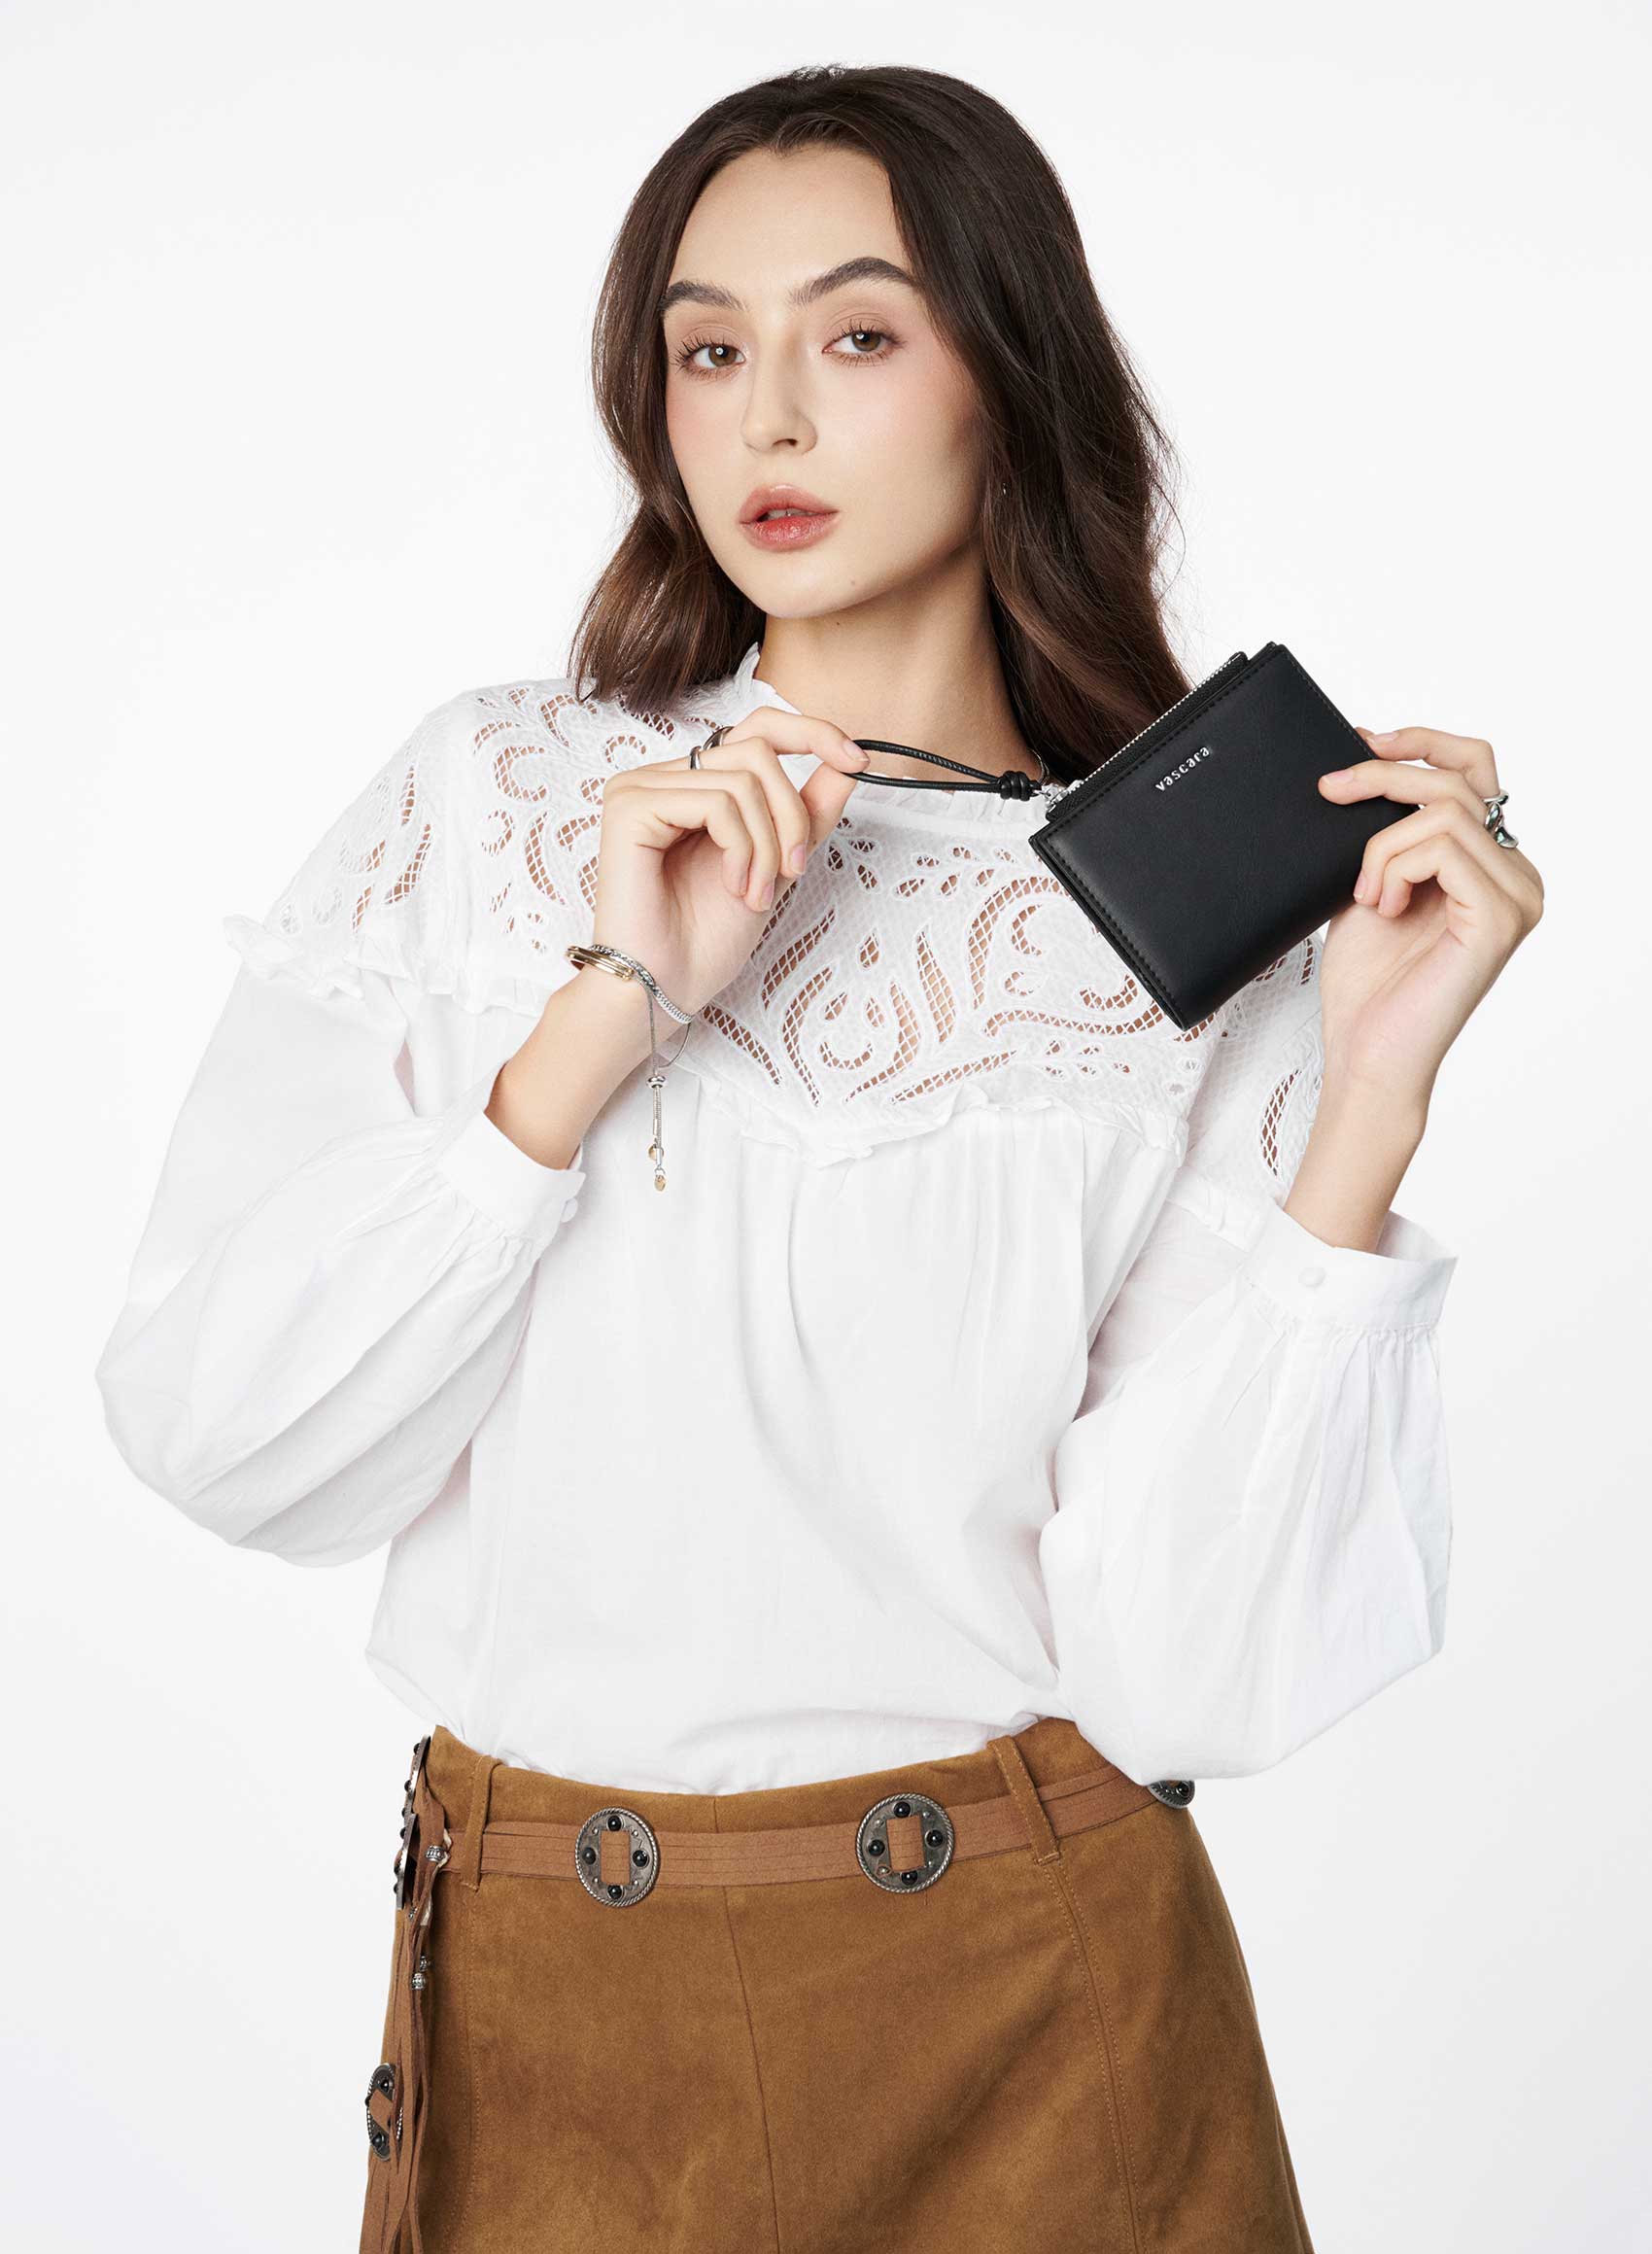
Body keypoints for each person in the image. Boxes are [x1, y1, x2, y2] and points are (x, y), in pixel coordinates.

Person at [94, 62, 1541, 2254]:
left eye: (857, 334)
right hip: (558, 2007)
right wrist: (605, 1013)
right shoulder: (501, 805)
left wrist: (1367, 1101)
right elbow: (225, 1437)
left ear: (1009, 377)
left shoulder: (1192, 933)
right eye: (708, 350)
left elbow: (1188, 1670)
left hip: (1043, 2006)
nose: (767, 415)